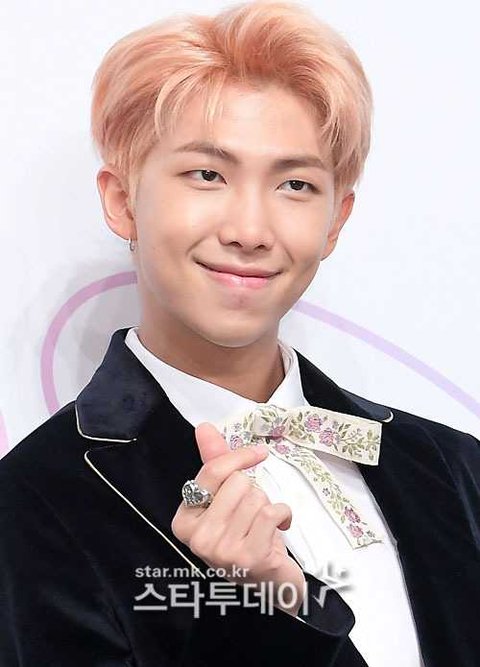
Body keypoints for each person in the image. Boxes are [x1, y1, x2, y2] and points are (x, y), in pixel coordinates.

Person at [0, 1, 479, 665]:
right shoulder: (37, 499)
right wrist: (269, 613)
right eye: (208, 174)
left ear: (336, 220)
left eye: (295, 184)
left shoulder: (452, 465)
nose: (250, 230)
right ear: (121, 199)